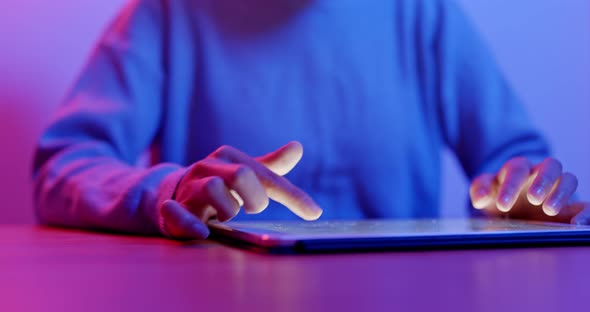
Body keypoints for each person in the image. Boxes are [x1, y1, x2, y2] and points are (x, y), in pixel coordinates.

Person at [32, 0, 589, 240]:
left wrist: (518, 198)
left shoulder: (421, 11)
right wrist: (169, 191)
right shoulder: (167, 13)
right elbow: (64, 165)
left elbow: (509, 162)